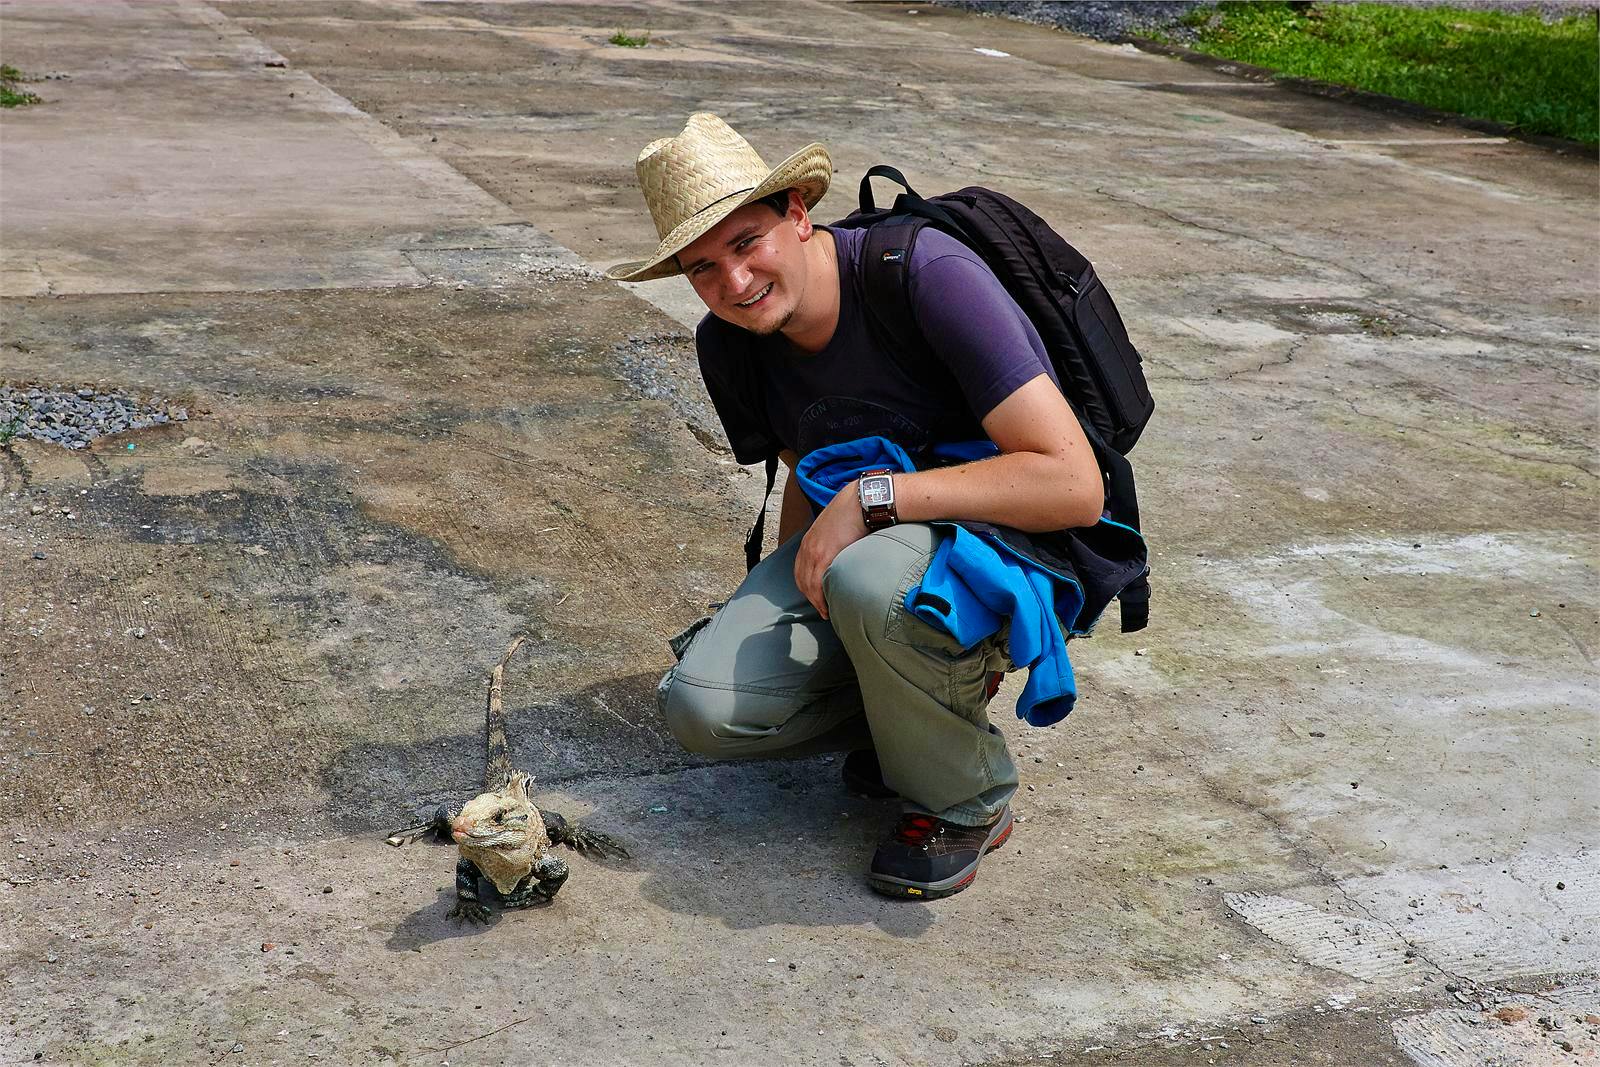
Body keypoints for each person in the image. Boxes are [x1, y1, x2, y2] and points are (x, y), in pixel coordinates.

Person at [605, 113, 1105, 900]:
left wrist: (873, 500)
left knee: (872, 580)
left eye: (747, 244)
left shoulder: (924, 273)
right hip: (880, 540)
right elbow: (811, 467)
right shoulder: (733, 340)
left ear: (799, 213)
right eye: (703, 267)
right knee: (701, 706)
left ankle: (964, 798)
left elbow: (1074, 485)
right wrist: (788, 598)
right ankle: (919, 708)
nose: (733, 284)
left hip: (1012, 545)